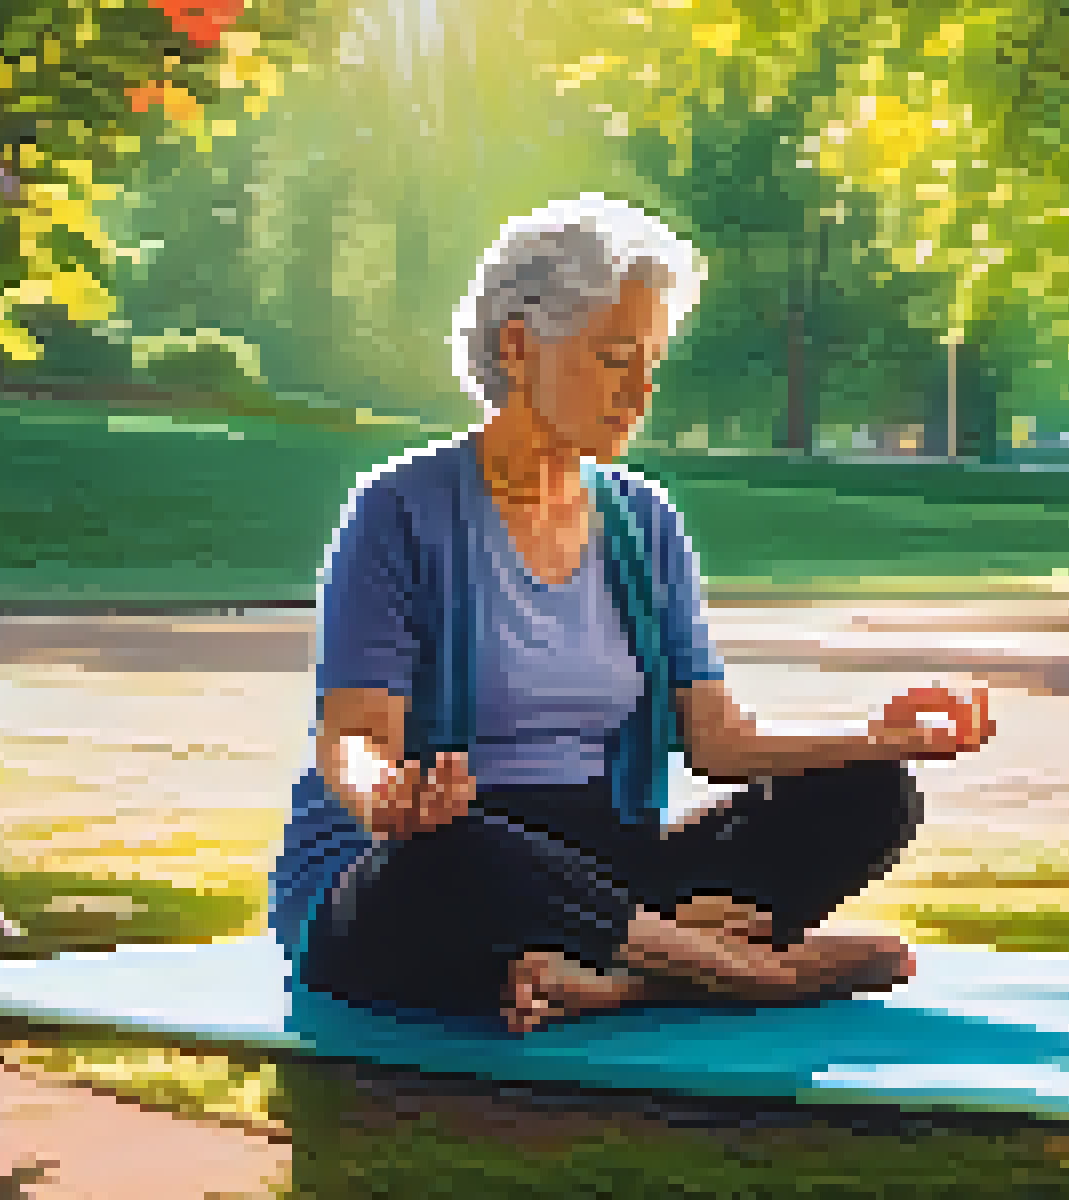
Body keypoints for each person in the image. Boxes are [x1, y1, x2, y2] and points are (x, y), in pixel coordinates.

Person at [268, 194, 997, 1035]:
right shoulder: (401, 511)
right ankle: (729, 970)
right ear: (518, 347)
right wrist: (384, 797)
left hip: (599, 867)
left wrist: (882, 740)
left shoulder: (645, 523)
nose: (640, 389)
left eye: (650, 361)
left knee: (870, 797)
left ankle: (613, 978)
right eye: (614, 357)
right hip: (421, 866)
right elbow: (351, 736)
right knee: (457, 859)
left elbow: (719, 742)